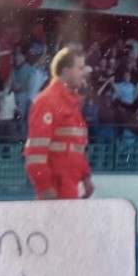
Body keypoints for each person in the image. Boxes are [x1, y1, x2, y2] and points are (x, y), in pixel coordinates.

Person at [25, 46, 95, 200]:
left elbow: (76, 147)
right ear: (65, 71)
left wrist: (86, 176)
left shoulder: (71, 103)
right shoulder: (47, 102)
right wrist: (45, 188)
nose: (84, 72)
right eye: (80, 68)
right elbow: (35, 153)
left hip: (69, 188)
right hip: (56, 190)